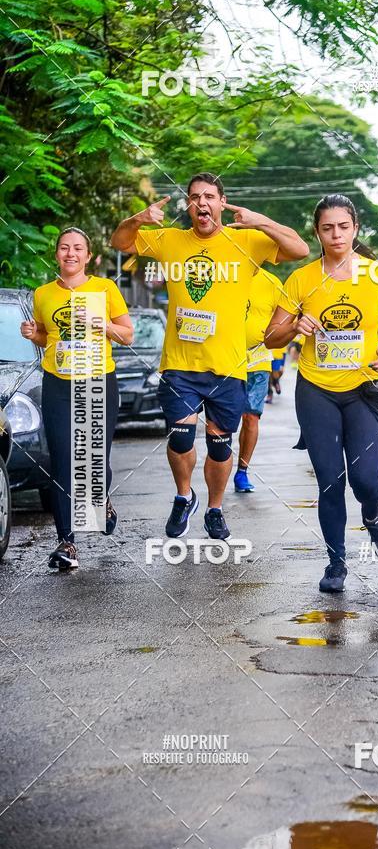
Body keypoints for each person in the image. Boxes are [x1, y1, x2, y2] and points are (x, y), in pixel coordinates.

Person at [111, 173, 308, 540]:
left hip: (228, 366)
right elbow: (120, 242)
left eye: (209, 197)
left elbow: (299, 249)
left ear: (221, 202)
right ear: (188, 205)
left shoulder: (246, 240)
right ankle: (183, 496)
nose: (202, 203)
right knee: (182, 439)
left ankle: (215, 508)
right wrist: (138, 219)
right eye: (194, 197)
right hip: (180, 364)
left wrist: (260, 221)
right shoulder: (169, 240)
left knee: (219, 446)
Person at [265, 194, 378, 593]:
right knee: (330, 481)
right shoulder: (301, 279)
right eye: (328, 228)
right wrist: (294, 328)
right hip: (316, 391)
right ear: (318, 232)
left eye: (343, 226)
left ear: (355, 228)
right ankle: (336, 563)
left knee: (366, 482)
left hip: (361, 390)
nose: (336, 234)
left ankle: (374, 516)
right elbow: (271, 338)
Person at [20, 227, 133, 569]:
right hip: (58, 384)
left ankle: (102, 502)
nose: (70, 253)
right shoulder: (43, 294)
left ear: (88, 256)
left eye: (78, 248)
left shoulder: (105, 288)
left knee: (94, 461)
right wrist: (33, 334)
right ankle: (66, 543)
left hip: (98, 380)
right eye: (64, 248)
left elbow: (126, 335)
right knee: (62, 462)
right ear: (57, 254)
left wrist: (101, 324)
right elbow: (47, 335)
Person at [234, 268, 283, 492]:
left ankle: (242, 471)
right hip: (225, 358)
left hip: (258, 359)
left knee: (251, 417)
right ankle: (219, 463)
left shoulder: (272, 282)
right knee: (221, 422)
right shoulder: (225, 273)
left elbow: (285, 318)